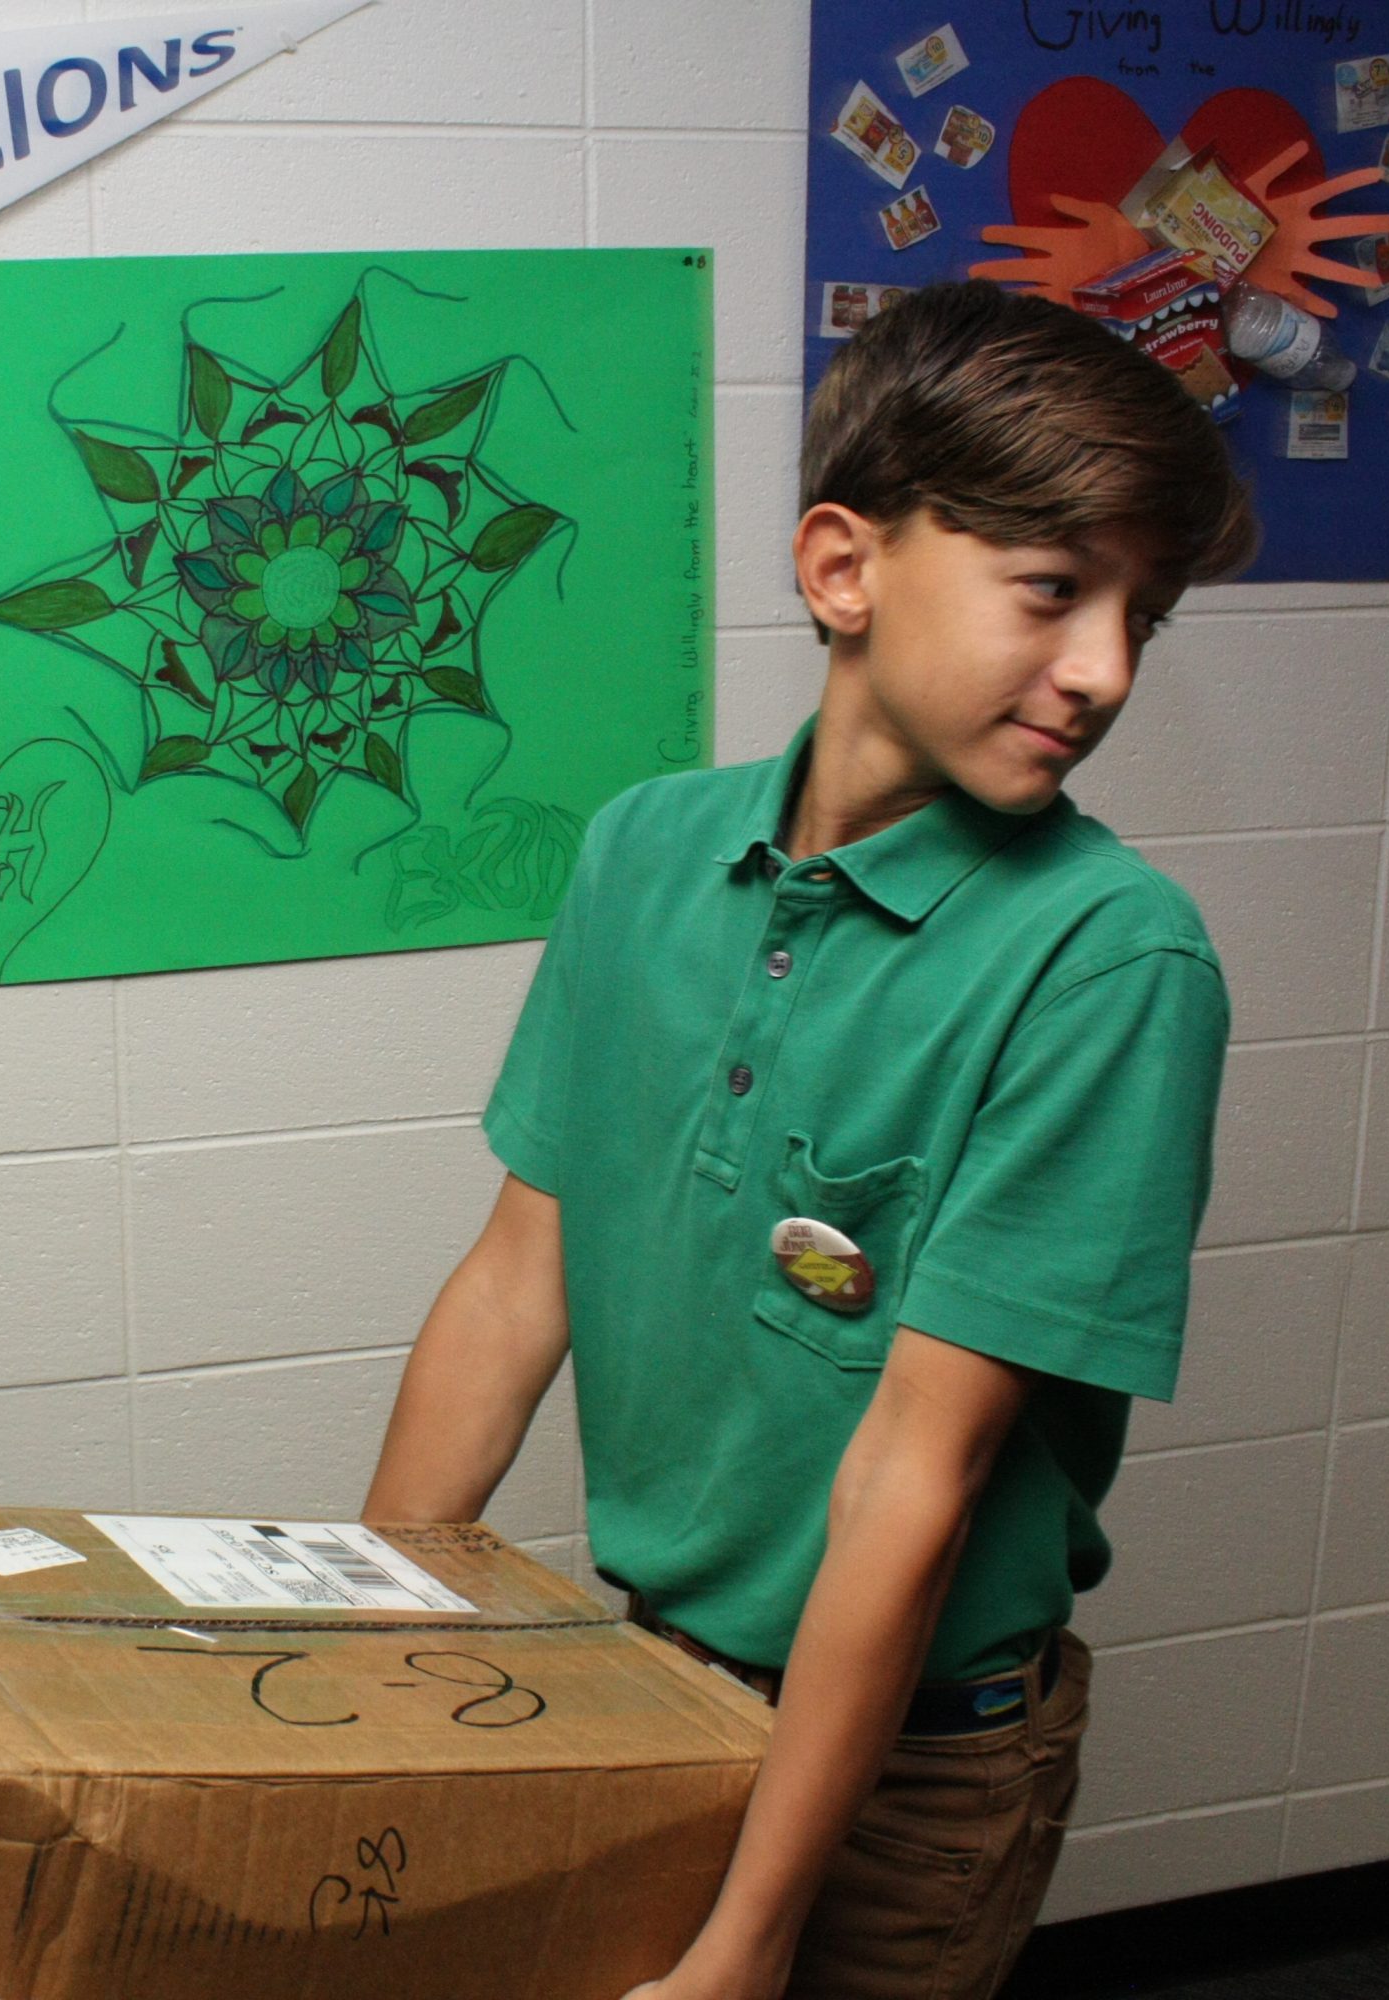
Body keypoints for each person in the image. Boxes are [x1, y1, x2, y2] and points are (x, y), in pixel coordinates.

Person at [364, 279, 1257, 2000]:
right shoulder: (643, 849)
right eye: (1055, 590)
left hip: (913, 1765)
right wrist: (360, 1658)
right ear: (845, 567)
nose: (1105, 671)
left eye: (1144, 616)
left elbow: (915, 1480)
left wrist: (747, 1940)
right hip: (658, 1683)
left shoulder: (1110, 960)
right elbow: (514, 1288)